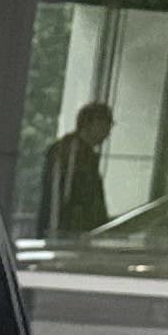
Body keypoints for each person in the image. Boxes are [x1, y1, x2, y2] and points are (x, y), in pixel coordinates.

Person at [40, 101, 116, 237]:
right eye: (105, 125)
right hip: (67, 233)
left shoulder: (84, 153)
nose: (108, 133)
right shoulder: (69, 152)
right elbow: (59, 196)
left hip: (76, 233)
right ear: (90, 123)